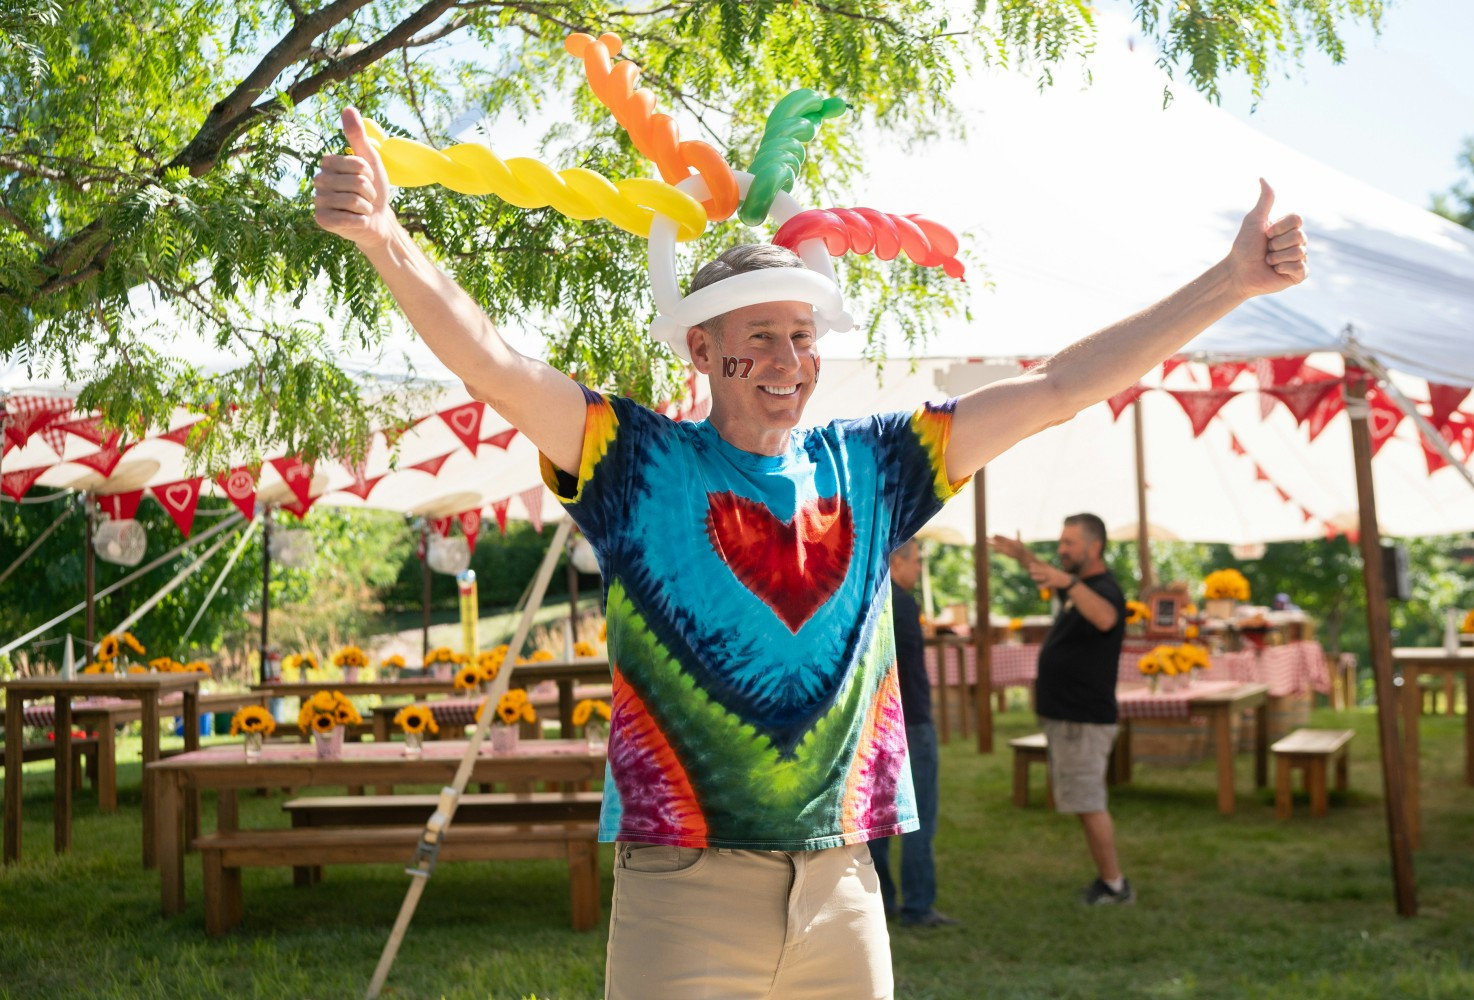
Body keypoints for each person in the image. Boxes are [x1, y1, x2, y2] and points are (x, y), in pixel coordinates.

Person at [315, 105, 1305, 996]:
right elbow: (498, 364)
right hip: (683, 888)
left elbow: (1057, 388)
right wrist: (385, 236)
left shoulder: (875, 467)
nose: (790, 363)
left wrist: (1231, 282)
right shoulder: (636, 464)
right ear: (700, 351)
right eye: (762, 338)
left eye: (802, 335)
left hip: (844, 885)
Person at [991, 515, 1131, 905]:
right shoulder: (1078, 587)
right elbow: (1052, 574)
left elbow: (1106, 617)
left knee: (1089, 803)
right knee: (1084, 802)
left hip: (1083, 718)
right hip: (1067, 716)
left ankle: (1115, 885)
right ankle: (1109, 881)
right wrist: (1022, 556)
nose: (1062, 549)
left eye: (1070, 543)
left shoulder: (1104, 590)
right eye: (1061, 542)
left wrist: (1068, 582)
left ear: (1094, 547)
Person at [869, 540, 959, 928]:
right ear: (898, 560)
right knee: (919, 818)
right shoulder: (902, 603)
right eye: (917, 561)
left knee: (879, 820)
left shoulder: (868, 598)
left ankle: (880, 900)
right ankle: (918, 905)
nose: (919, 569)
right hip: (912, 721)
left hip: (876, 723)